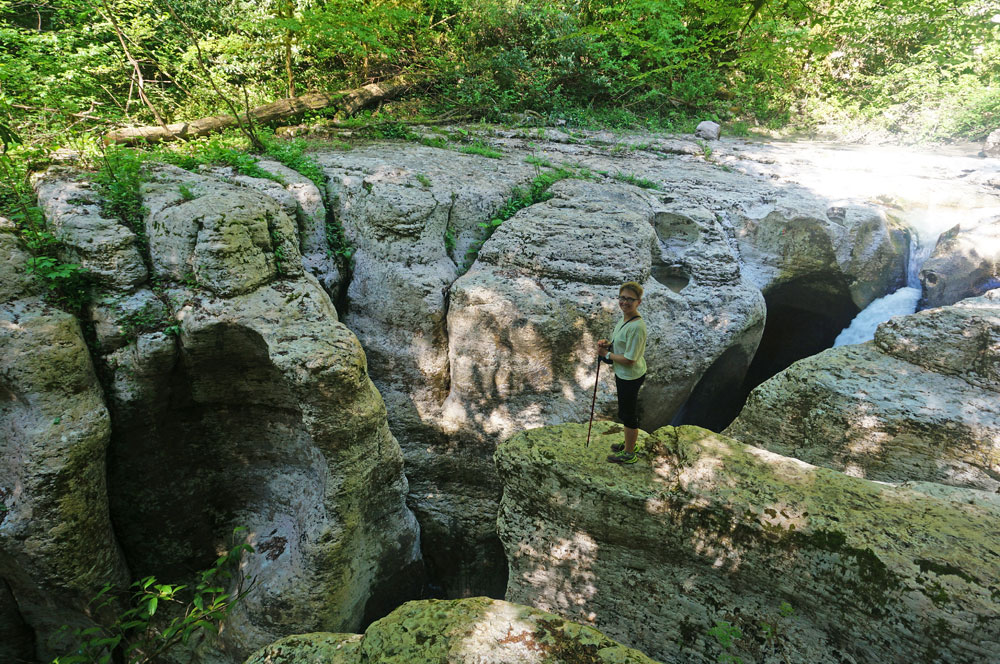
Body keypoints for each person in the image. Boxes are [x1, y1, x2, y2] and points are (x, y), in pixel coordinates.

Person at [598, 281, 647, 464]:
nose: (625, 302)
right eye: (622, 298)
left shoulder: (637, 326)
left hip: (630, 375)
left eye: (630, 299)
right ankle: (629, 444)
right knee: (625, 411)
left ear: (638, 302)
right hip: (624, 374)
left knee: (628, 414)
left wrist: (607, 354)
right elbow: (622, 343)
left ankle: (629, 453)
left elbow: (630, 358)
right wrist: (609, 344)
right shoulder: (625, 318)